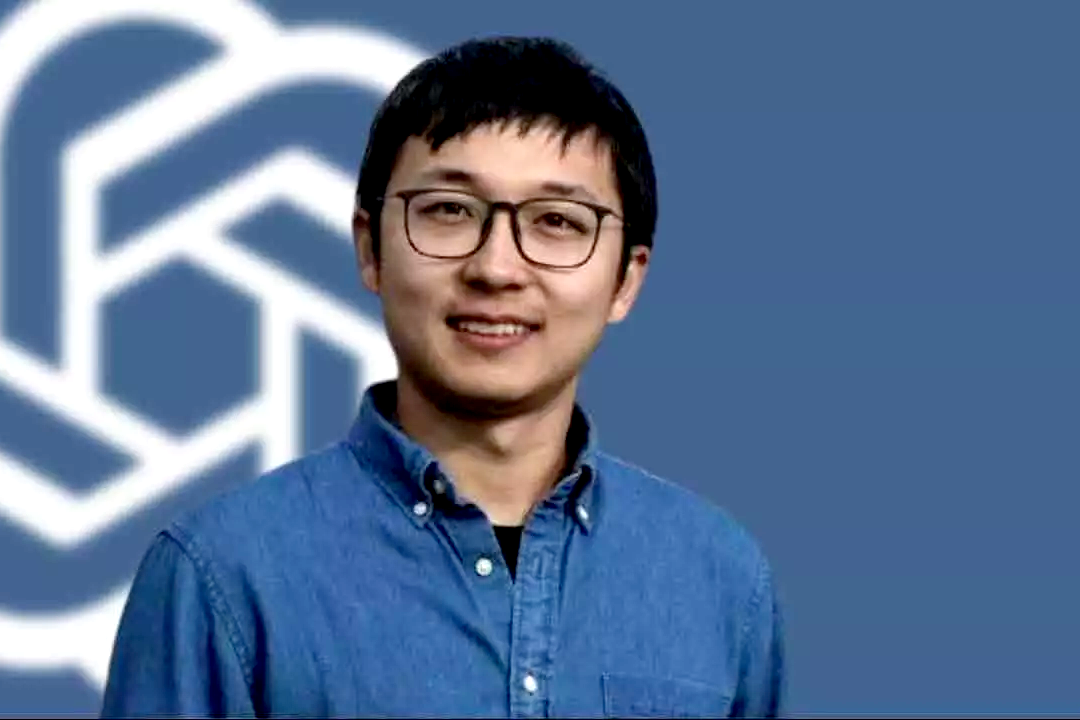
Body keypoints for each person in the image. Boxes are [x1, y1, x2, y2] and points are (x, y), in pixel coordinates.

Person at [101, 36, 784, 718]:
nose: (497, 269)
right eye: (450, 211)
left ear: (626, 279)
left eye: (556, 221)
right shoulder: (222, 575)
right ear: (370, 248)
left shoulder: (721, 580)